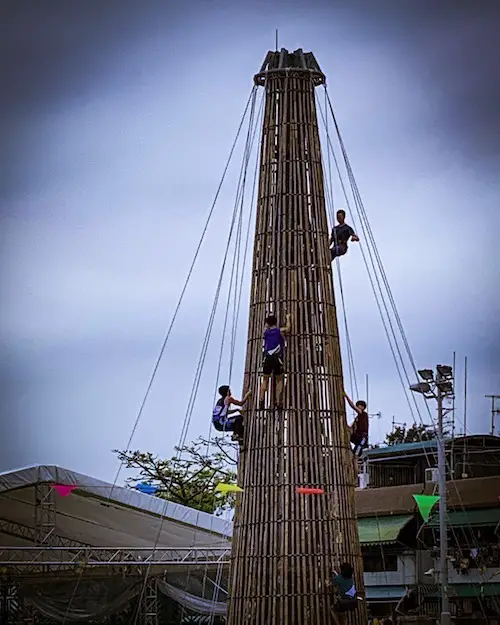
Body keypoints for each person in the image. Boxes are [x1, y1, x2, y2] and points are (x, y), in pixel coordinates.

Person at [258, 313, 291, 410]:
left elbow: (265, 328)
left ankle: (261, 399)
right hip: (277, 358)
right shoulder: (278, 331)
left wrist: (266, 324)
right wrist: (288, 318)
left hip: (267, 358)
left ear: (267, 323)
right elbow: (288, 328)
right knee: (279, 380)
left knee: (264, 380)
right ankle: (278, 402)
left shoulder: (266, 333)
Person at [345, 392, 369, 457]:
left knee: (357, 451)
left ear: (362, 407)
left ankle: (355, 458)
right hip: (357, 436)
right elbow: (351, 427)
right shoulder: (357, 418)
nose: (357, 407)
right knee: (356, 449)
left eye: (359, 406)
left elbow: (352, 406)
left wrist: (346, 397)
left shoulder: (363, 414)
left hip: (362, 437)